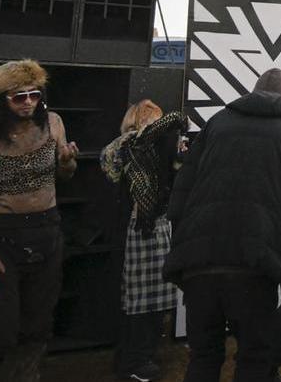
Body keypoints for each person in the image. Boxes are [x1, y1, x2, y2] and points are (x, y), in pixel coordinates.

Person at [165, 68, 281, 382]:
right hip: (255, 265)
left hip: (200, 262)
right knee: (254, 359)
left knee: (203, 357)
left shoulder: (218, 123)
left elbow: (180, 196)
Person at [0, 60, 78, 381]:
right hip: (3, 237)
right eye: (19, 97)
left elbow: (66, 175)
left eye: (35, 95)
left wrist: (67, 162)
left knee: (37, 325)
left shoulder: (54, 125)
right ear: (1, 100)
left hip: (47, 230)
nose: (29, 103)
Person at [101, 100, 186, 381]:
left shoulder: (122, 149)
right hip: (144, 229)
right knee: (143, 300)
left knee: (141, 300)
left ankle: (135, 358)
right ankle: (136, 360)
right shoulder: (136, 148)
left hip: (142, 227)